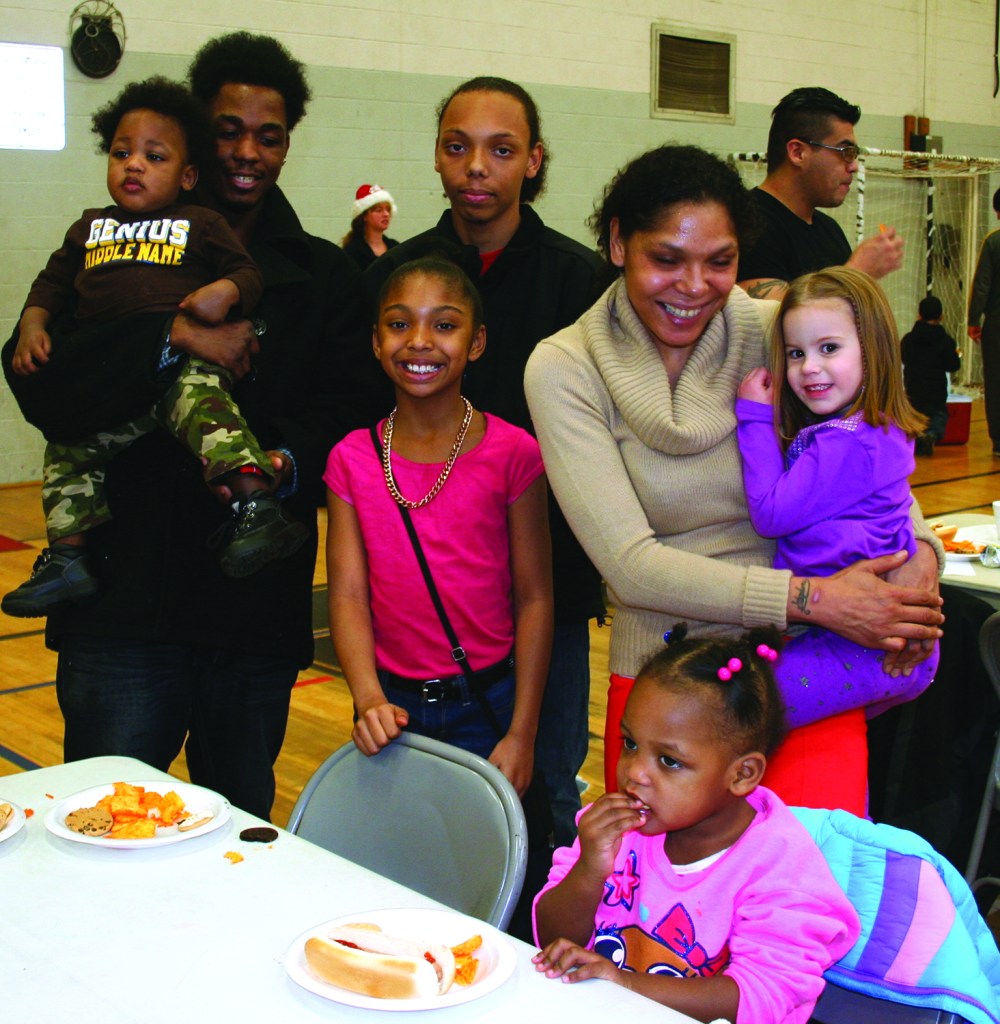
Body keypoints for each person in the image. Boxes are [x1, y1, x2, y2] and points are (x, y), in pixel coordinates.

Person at [1, 32, 377, 820]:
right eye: (228, 130)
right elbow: (42, 383)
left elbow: (347, 412)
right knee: (103, 827)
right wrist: (171, 338)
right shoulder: (108, 250)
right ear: (197, 139)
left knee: (234, 831)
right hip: (120, 602)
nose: (247, 151)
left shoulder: (325, 274)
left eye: (268, 135)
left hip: (251, 611)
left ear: (286, 145)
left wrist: (279, 462)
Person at [524, 145, 943, 816]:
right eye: (667, 259)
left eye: (720, 262)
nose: (694, 286)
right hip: (672, 685)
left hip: (806, 665)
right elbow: (631, 568)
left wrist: (919, 557)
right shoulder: (564, 367)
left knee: (815, 896)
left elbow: (866, 454)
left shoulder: (777, 332)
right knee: (673, 913)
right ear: (616, 243)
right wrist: (816, 599)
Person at [366, 76, 605, 847]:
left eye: (501, 150)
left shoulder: (583, 285)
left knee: (548, 788)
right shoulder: (391, 279)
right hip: (427, 597)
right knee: (423, 808)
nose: (478, 167)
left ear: (533, 161)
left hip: (549, 590)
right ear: (437, 158)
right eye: (458, 146)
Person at [2, 76, 307, 619]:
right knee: (69, 451)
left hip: (178, 374)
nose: (134, 165)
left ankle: (253, 505)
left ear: (188, 175)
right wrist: (32, 323)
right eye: (122, 153)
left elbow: (246, 272)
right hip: (114, 390)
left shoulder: (199, 223)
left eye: (153, 156)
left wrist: (224, 291)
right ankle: (68, 558)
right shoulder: (88, 230)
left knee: (210, 412)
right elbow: (50, 284)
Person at [531, 626, 860, 1023]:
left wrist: (626, 984)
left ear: (742, 774)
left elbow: (761, 998)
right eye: (630, 743)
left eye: (669, 761)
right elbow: (551, 940)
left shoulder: (781, 867)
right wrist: (589, 869)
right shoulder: (614, 830)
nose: (635, 773)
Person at [325, 256, 552, 796]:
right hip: (390, 709)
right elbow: (349, 596)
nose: (419, 341)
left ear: (475, 343)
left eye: (444, 325)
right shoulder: (352, 458)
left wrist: (522, 732)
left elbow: (535, 597)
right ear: (376, 341)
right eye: (399, 324)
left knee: (481, 870)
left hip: (488, 705)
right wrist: (367, 698)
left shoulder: (514, 453)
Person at [736, 266, 939, 726]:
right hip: (850, 637)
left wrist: (752, 414)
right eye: (795, 353)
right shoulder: (871, 429)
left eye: (828, 348)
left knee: (740, 712)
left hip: (862, 645)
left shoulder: (848, 442)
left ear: (872, 351)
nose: (808, 367)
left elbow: (770, 512)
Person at [736, 86, 904, 300]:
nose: (854, 166)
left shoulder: (829, 230)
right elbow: (767, 321)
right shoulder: (748, 223)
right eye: (845, 152)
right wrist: (859, 272)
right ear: (798, 153)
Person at [901, 294, 961, 456]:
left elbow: (903, 358)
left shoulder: (909, 339)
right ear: (941, 317)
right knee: (938, 416)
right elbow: (953, 365)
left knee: (915, 416)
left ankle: (917, 436)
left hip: (913, 388)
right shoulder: (946, 341)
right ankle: (931, 434)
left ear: (919, 315)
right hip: (936, 391)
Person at [968, 187, 1000, 454]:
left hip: (997, 324)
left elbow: (982, 286)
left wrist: (973, 319)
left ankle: (999, 441)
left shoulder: (993, 242)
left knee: (995, 381)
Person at [340, 183, 399, 270]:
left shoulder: (395, 248)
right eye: (379, 210)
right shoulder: (352, 251)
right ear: (364, 216)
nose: (386, 214)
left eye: (388, 210)